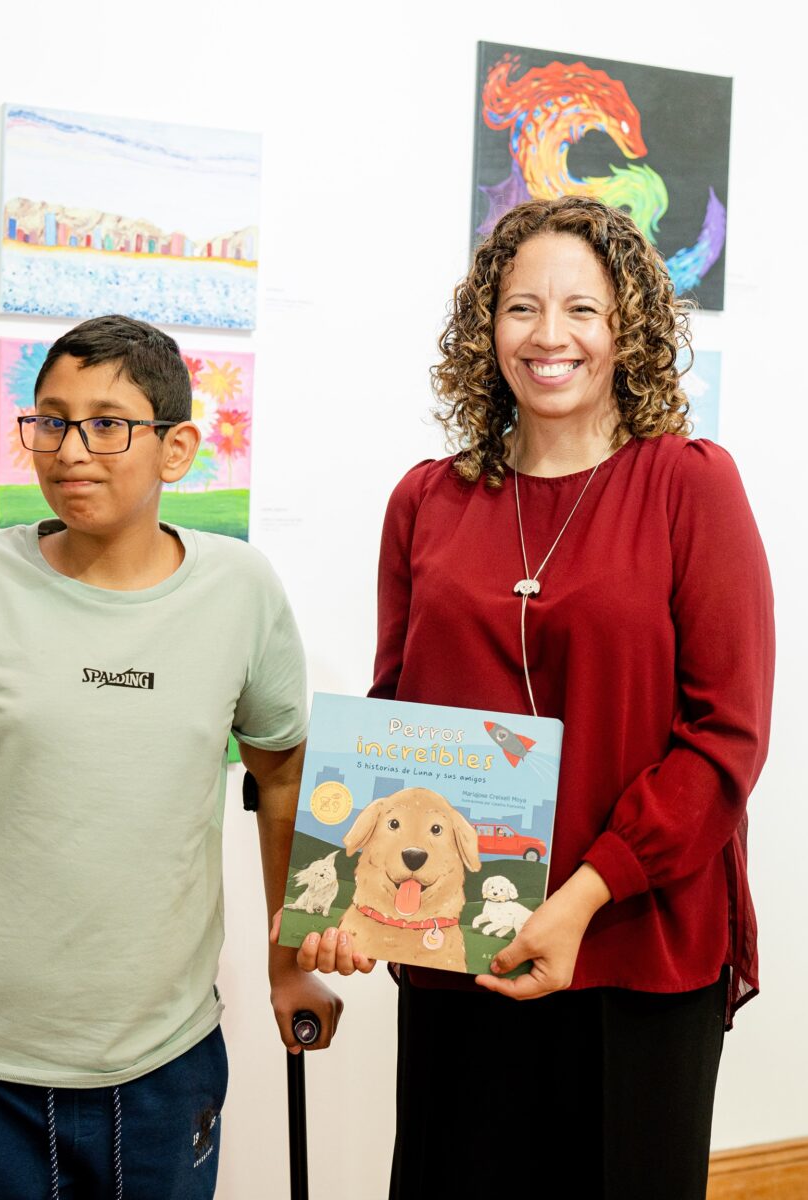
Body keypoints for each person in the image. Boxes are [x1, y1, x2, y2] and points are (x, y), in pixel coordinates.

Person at [292, 197, 774, 1198]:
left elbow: (724, 739)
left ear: (627, 329)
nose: (549, 336)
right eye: (521, 308)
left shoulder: (691, 486)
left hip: (632, 945)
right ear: (487, 328)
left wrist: (582, 898)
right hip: (456, 944)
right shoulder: (425, 500)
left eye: (582, 311)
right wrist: (354, 900)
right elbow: (395, 728)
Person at [0, 315, 341, 1200]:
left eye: (107, 423)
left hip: (163, 1065)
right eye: (50, 421)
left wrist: (289, 963)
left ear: (176, 449)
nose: (70, 450)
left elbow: (281, 776)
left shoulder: (240, 590)